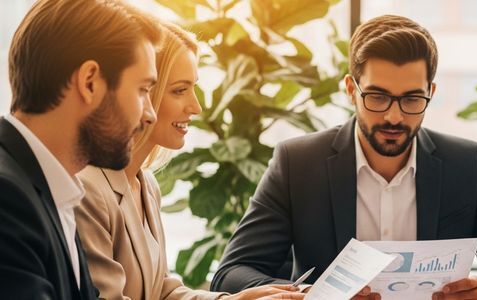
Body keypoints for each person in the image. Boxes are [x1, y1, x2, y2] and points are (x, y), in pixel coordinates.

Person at [210, 15, 477, 300]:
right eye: (377, 96)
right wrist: (315, 296)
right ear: (350, 89)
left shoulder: (466, 163)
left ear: (431, 93)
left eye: (412, 99)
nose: (393, 116)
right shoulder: (298, 162)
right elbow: (230, 275)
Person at [74, 21, 307, 300]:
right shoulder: (88, 188)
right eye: (179, 90)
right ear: (144, 90)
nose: (195, 107)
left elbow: (161, 290)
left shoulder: (145, 184)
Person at [0, 0, 163, 298]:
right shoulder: (7, 198)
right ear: (89, 82)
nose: (150, 114)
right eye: (142, 90)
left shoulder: (52, 190)